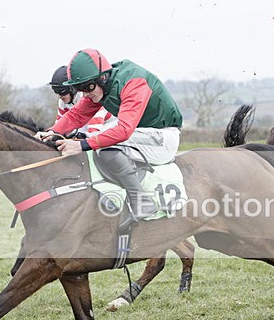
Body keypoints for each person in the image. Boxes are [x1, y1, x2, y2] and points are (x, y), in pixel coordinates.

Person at [37, 49, 183, 229]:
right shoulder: (100, 86)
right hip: (143, 135)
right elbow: (75, 116)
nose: (84, 94)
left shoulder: (133, 82)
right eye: (80, 89)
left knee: (104, 145)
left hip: (162, 138)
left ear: (102, 78)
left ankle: (142, 202)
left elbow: (123, 131)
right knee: (101, 141)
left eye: (87, 88)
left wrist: (81, 145)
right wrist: (50, 132)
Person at [48, 65, 113, 138]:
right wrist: (50, 133)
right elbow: (59, 124)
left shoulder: (90, 96)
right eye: (55, 91)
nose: (59, 96)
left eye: (61, 91)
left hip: (107, 126)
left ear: (72, 89)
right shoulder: (62, 102)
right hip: (84, 125)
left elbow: (94, 127)